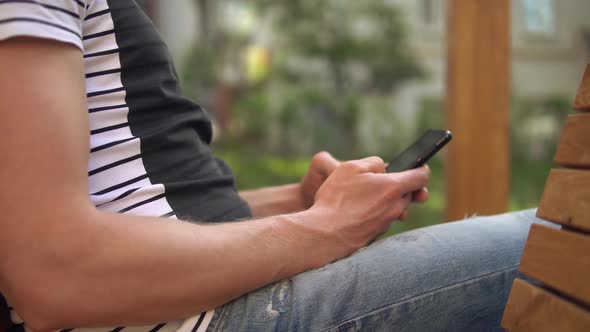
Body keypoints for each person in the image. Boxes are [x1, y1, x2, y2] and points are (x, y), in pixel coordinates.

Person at [0, 1, 550, 331]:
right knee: (564, 245)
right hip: (198, 318)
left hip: (208, 296)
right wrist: (323, 227)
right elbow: (52, 268)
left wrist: (294, 203)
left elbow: (130, 202)